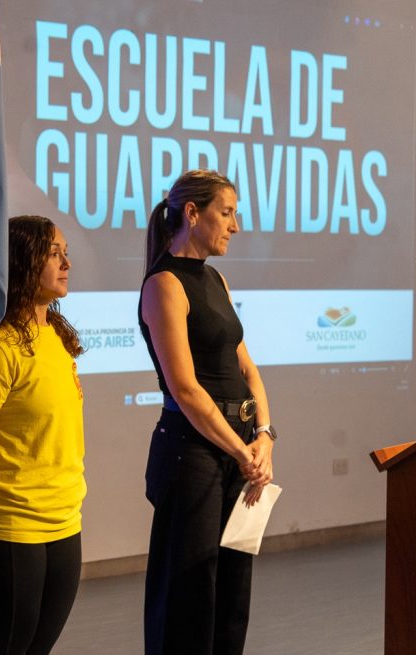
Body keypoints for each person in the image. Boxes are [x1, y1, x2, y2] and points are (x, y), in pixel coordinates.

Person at [138, 169, 276, 655]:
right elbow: (185, 388)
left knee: (233, 591)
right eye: (227, 213)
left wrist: (265, 436)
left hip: (238, 451)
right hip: (192, 454)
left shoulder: (215, 278)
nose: (235, 226)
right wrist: (242, 450)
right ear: (193, 214)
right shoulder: (164, 284)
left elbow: (248, 368)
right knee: (188, 596)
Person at [0, 215, 86, 655]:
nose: (66, 263)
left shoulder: (55, 335)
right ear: (21, 262)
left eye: (65, 253)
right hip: (10, 528)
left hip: (64, 521)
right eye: (53, 254)